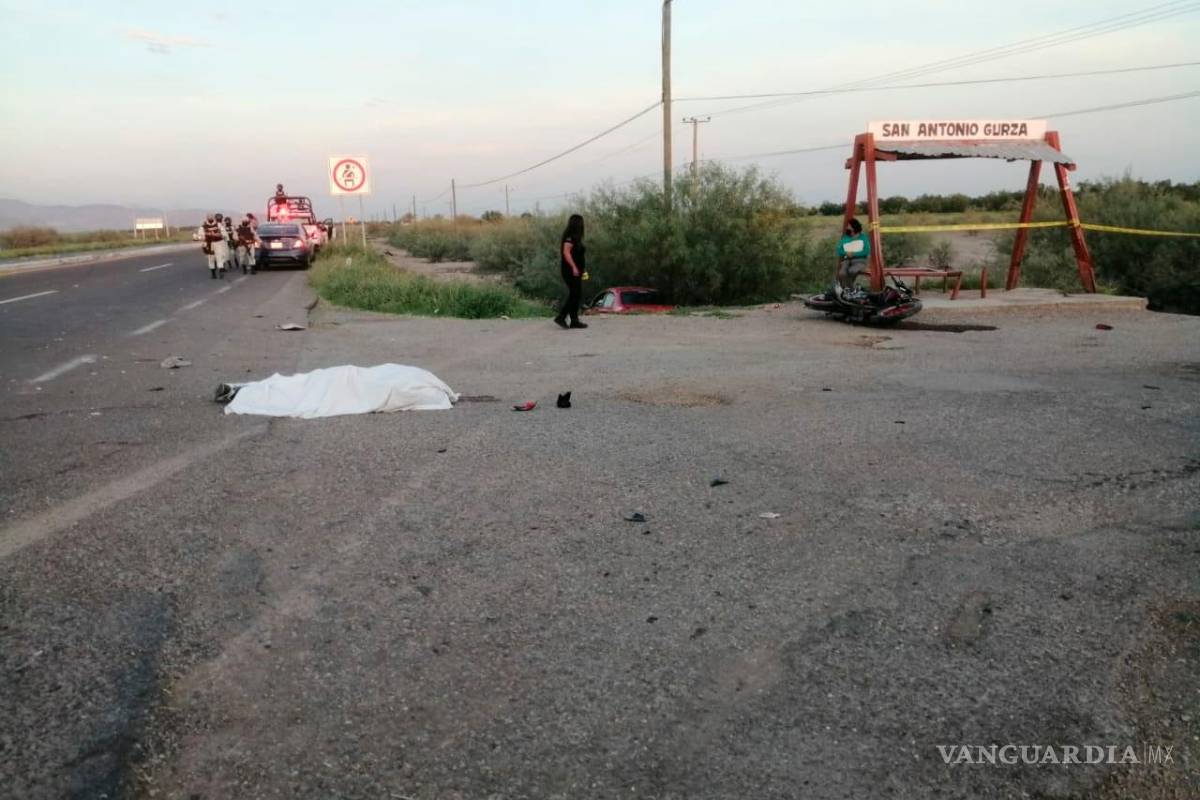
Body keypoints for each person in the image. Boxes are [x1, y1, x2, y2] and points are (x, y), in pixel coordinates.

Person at [554, 214, 588, 330]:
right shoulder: (569, 237)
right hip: (569, 270)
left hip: (576, 271)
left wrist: (581, 269)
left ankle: (574, 320)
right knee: (574, 294)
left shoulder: (576, 237)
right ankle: (561, 316)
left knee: (576, 294)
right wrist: (574, 267)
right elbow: (566, 253)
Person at [836, 217, 871, 291]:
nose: (847, 227)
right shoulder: (845, 237)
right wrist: (846, 253)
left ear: (854, 227)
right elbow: (838, 250)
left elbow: (867, 251)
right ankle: (850, 290)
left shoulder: (863, 237)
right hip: (847, 260)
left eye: (849, 226)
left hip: (860, 260)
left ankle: (848, 289)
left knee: (852, 271)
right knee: (842, 273)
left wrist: (854, 254)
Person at [202, 214, 227, 279]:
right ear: (207, 218)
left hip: (218, 243)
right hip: (209, 244)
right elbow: (201, 235)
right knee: (211, 259)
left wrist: (217, 235)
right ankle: (213, 274)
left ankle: (221, 272)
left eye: (211, 217)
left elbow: (224, 234)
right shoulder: (204, 226)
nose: (210, 218)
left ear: (213, 218)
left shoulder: (218, 225)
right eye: (208, 217)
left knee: (219, 257)